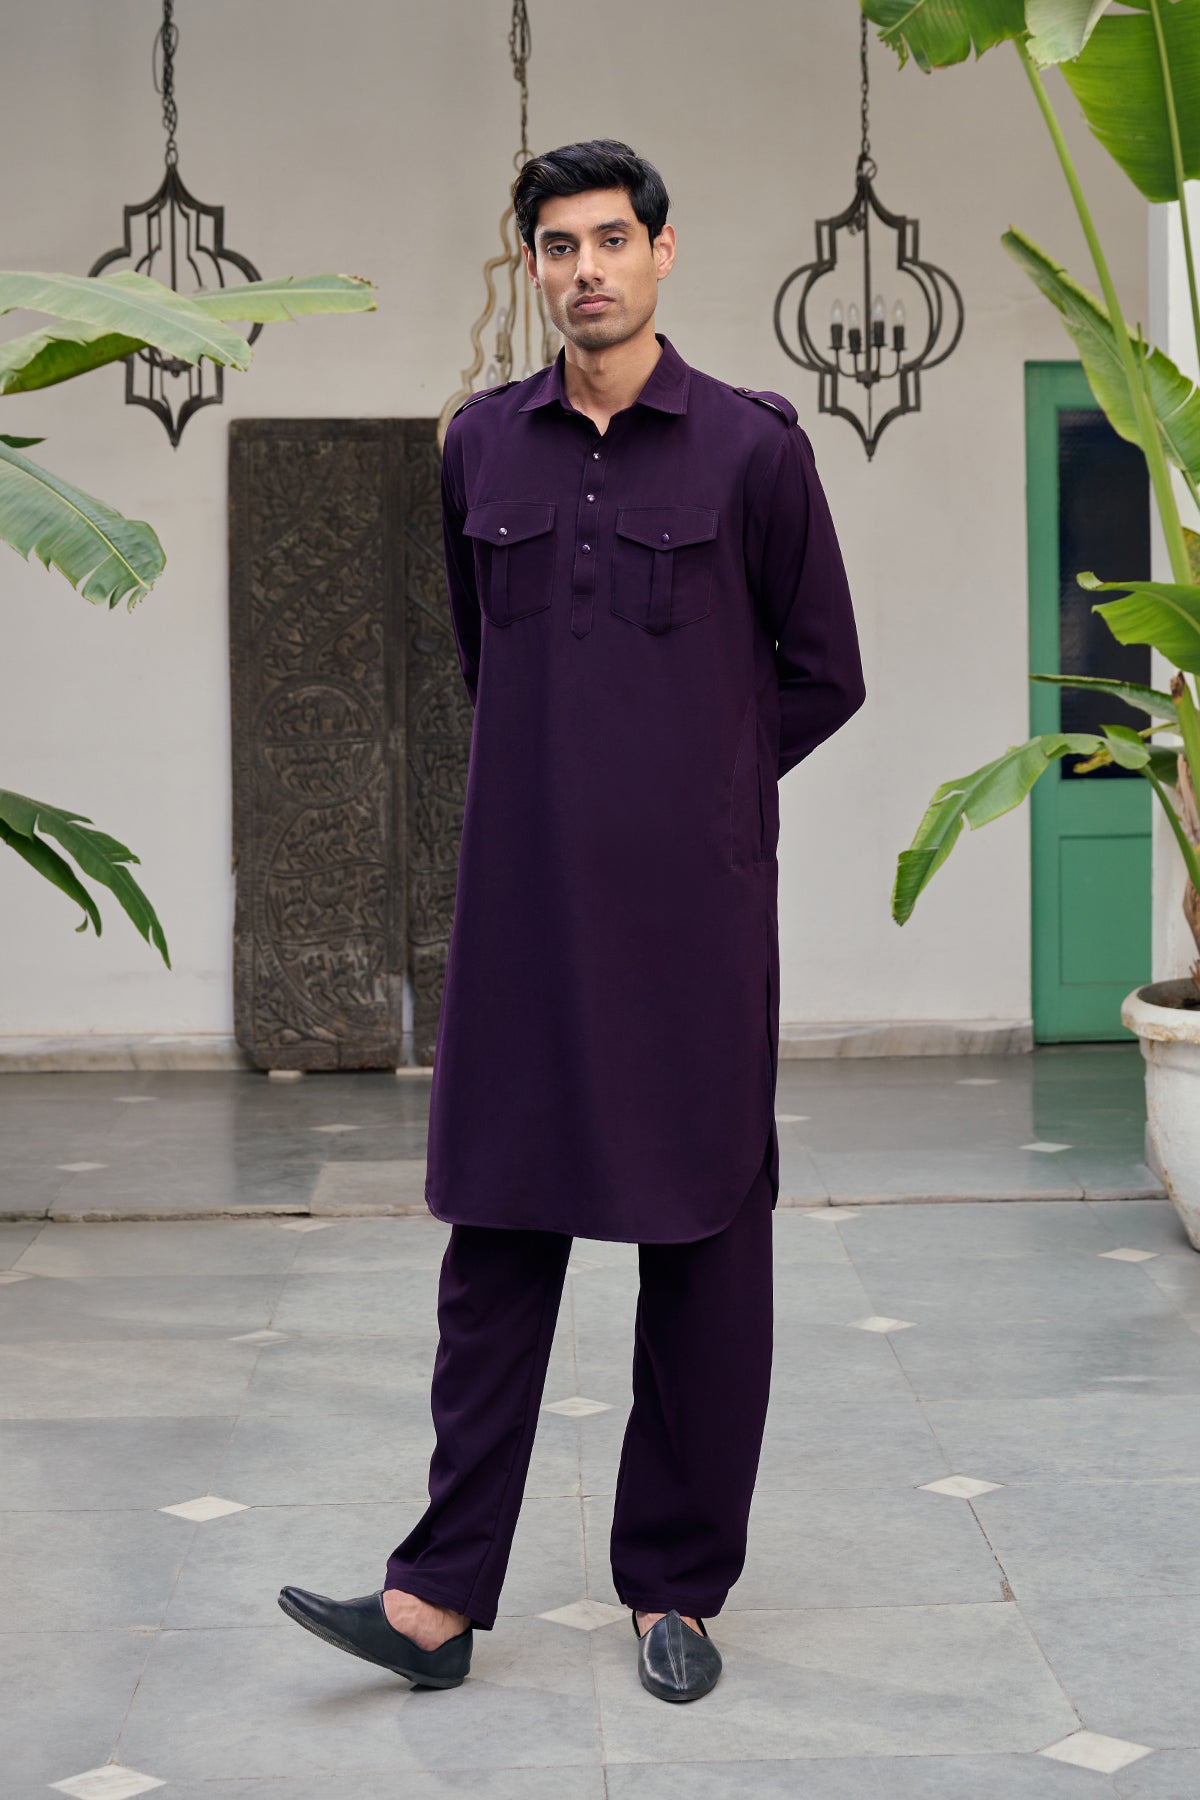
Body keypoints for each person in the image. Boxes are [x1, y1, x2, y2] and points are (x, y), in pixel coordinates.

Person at [280, 137, 866, 1704]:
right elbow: (490, 656)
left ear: (664, 252)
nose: (586, 268)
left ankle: (677, 1592)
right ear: (532, 266)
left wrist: (700, 791)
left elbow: (825, 671)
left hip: (695, 927)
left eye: (612, 239)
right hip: (522, 915)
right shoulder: (481, 447)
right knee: (496, 1239)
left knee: (704, 1246)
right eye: (558, 245)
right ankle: (434, 1600)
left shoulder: (752, 450)